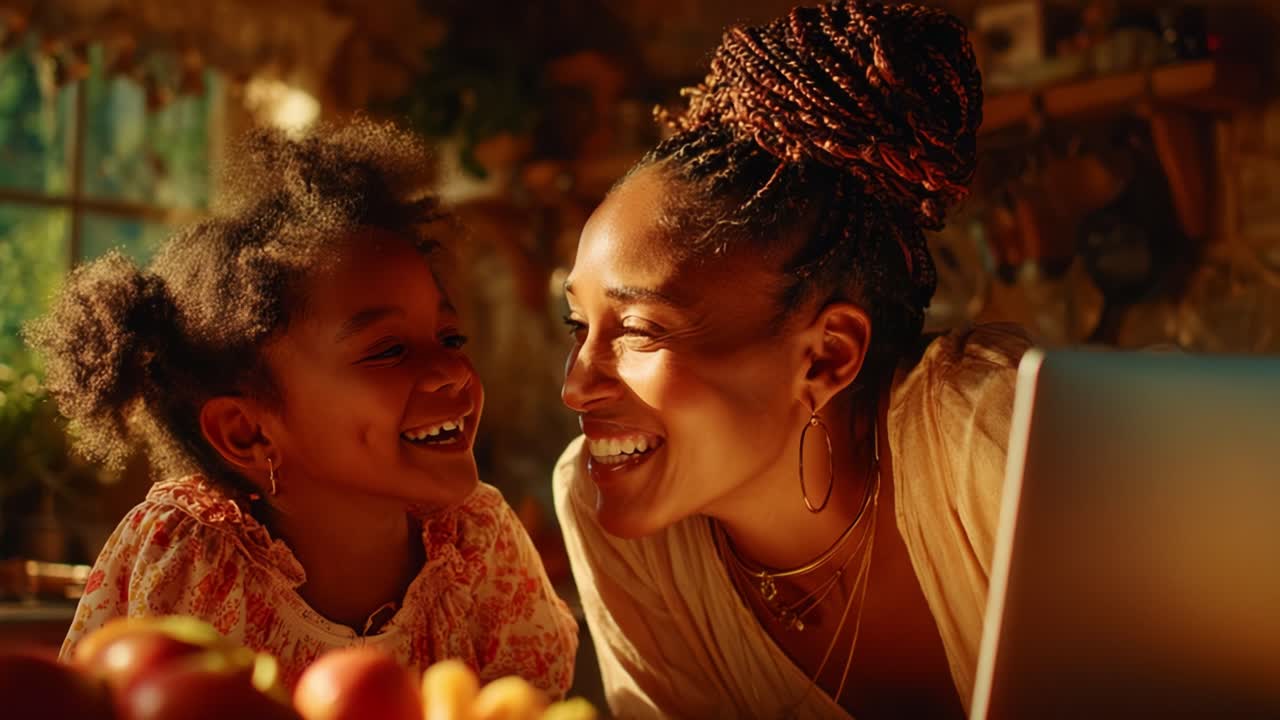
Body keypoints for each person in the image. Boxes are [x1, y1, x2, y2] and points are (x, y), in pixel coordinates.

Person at [553, 2, 1030, 717]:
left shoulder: (995, 438)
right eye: (577, 325)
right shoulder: (607, 512)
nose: (577, 386)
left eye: (641, 331)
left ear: (826, 358)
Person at [31, 119, 577, 693]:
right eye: (389, 350)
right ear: (247, 433)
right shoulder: (187, 560)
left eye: (450, 338)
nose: (453, 372)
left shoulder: (481, 543)